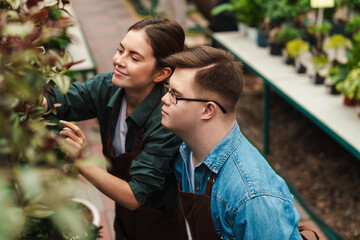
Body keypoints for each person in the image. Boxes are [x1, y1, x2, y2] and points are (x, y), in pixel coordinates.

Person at [44, 17, 188, 240]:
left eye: (134, 57)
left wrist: (81, 161)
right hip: (123, 216)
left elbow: (134, 196)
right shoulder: (108, 87)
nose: (119, 61)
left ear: (161, 74)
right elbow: (63, 100)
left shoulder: (166, 120)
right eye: (120, 50)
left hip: (160, 224)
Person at [160, 46, 303, 240]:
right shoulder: (188, 150)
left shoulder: (253, 197)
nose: (164, 98)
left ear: (208, 110)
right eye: (167, 89)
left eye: (175, 95)